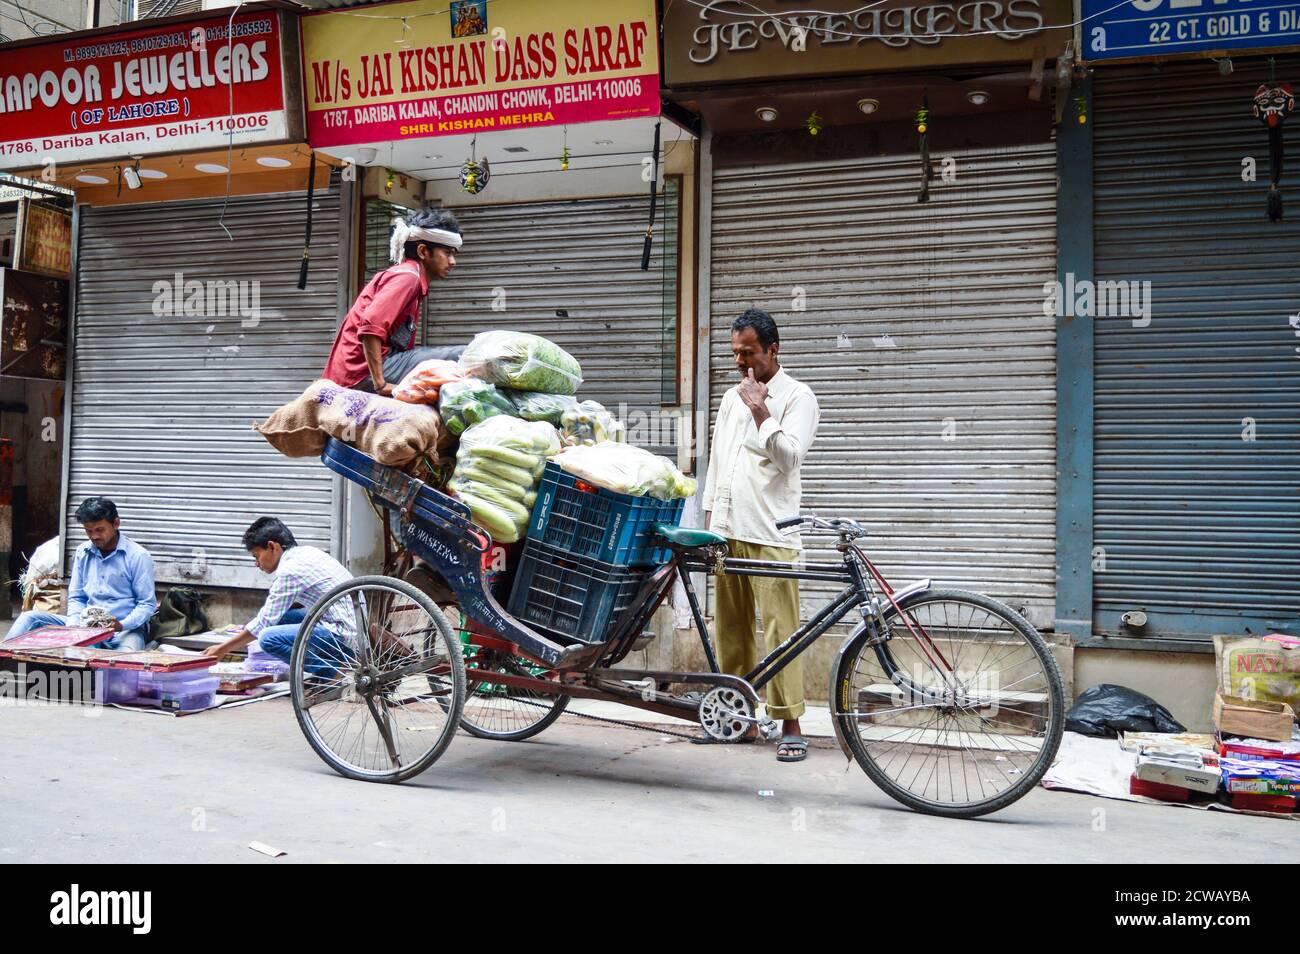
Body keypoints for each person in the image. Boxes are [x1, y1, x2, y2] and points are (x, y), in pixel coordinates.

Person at [702, 309, 821, 763]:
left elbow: (791, 458)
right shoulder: (731, 397)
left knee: (781, 632)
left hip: (772, 532)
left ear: (773, 350)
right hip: (728, 531)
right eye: (735, 353)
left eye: (748, 352)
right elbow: (718, 462)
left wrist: (761, 411)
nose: (740, 362)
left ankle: (790, 722)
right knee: (731, 630)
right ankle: (737, 717)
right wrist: (711, 525)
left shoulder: (797, 397)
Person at [322, 207, 465, 396]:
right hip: (360, 373)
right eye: (447, 253)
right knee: (463, 355)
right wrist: (380, 385)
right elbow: (370, 327)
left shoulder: (409, 276)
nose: (453, 261)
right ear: (423, 251)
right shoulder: (408, 277)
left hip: (366, 367)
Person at [202, 518, 355, 679]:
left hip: (342, 634)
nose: (257, 564)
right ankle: (331, 664)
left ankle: (331, 672)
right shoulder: (307, 553)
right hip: (352, 625)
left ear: (272, 547)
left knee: (267, 638)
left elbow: (264, 623)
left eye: (257, 556)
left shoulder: (289, 571)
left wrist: (222, 649)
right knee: (281, 618)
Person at [5, 496, 157, 651]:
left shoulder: (138, 556)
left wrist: (121, 625)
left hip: (125, 629)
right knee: (29, 618)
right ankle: (4, 658)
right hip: (85, 625)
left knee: (125, 661)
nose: (94, 536)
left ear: (116, 524)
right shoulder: (82, 552)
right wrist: (74, 627)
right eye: (88, 531)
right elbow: (77, 597)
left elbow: (147, 604)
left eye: (100, 530)